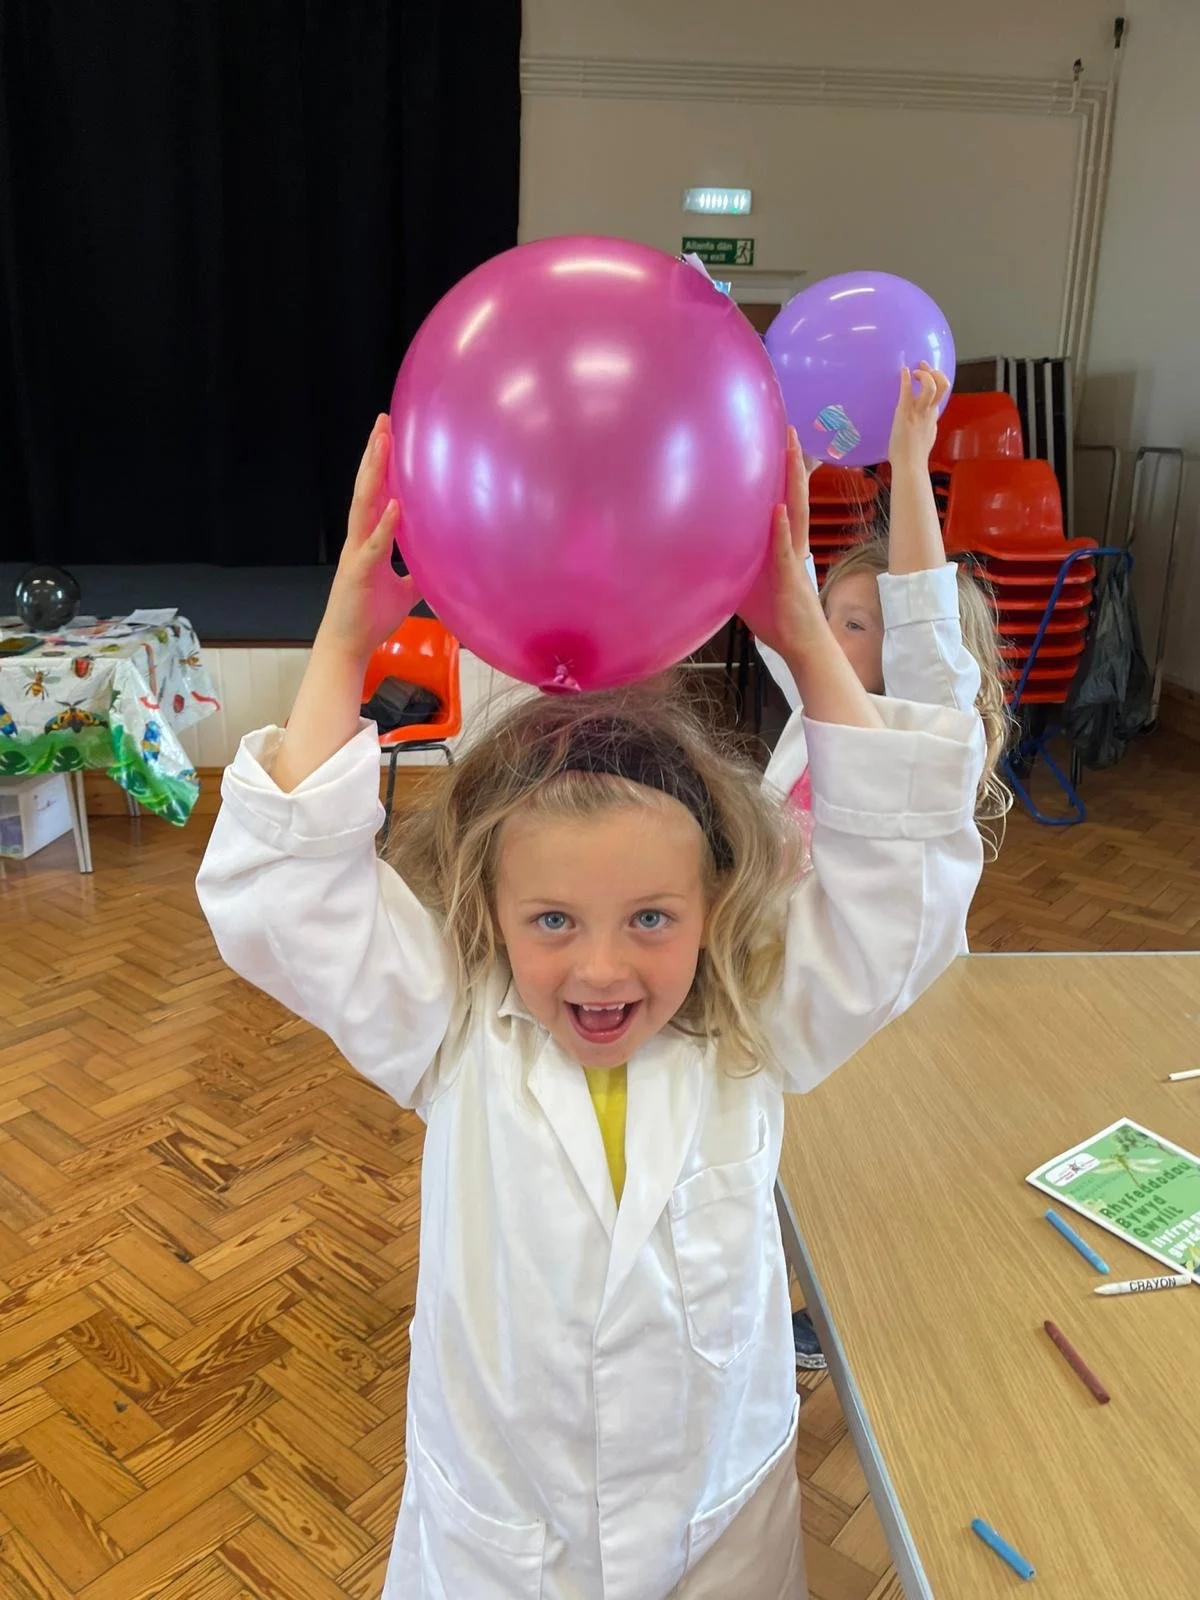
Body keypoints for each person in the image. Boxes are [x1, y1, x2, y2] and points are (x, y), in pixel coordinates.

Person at [196, 413, 986, 1600]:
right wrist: (342, 639)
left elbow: (907, 896)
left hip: (716, 1523)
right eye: (553, 922)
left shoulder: (752, 1026)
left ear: (721, 907)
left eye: (653, 919)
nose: (604, 971)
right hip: (506, 1541)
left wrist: (811, 640)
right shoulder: (452, 1029)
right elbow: (280, 893)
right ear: (485, 916)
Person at [754, 364, 1010, 1372]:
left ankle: (844, 1305)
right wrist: (788, 478)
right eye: (837, 616)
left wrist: (910, 453)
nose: (837, 632)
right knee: (787, 1155)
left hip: (893, 1003)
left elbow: (920, 616)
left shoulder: (929, 716)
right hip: (809, 972)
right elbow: (786, 613)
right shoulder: (820, 702)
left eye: (861, 623)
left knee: (866, 1175)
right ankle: (780, 1298)